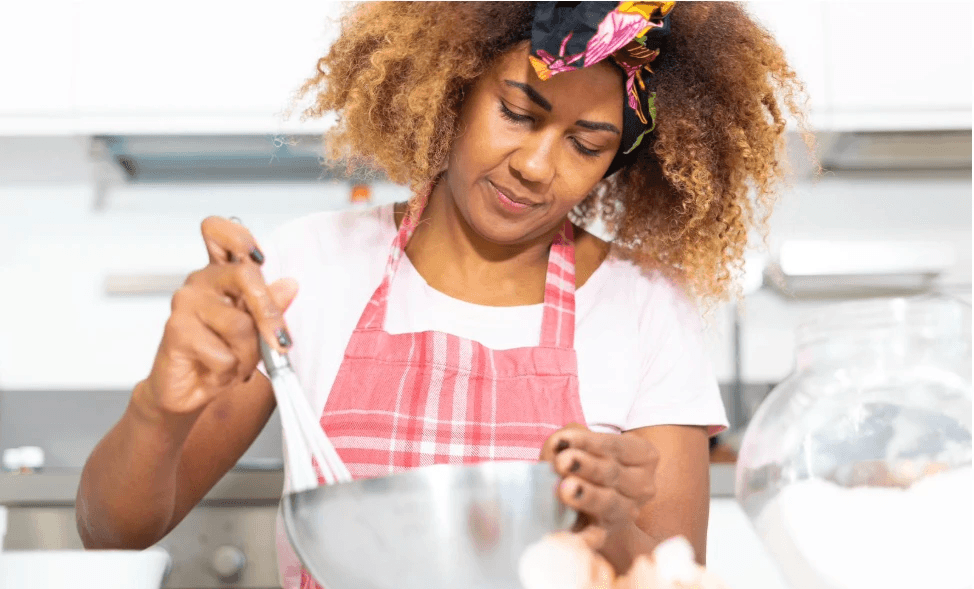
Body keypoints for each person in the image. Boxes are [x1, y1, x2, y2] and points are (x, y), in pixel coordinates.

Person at [76, 2, 810, 587]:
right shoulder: (315, 266)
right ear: (455, 87)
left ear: (615, 164)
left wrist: (611, 524)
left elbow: (675, 576)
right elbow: (113, 530)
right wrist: (159, 408)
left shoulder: (646, 304)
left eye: (585, 144)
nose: (534, 164)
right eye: (518, 112)